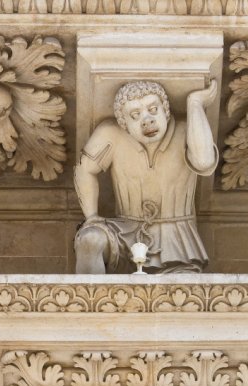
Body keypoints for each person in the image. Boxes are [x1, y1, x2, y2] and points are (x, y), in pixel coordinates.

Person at [74, 80, 218, 274]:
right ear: (124, 124)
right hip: (124, 232)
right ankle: (90, 303)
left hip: (175, 238)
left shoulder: (185, 131)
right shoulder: (111, 133)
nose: (147, 120)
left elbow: (204, 163)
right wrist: (91, 217)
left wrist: (194, 104)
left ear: (166, 111)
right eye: (135, 115)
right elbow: (84, 170)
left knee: (181, 293)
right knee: (90, 239)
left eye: (153, 109)